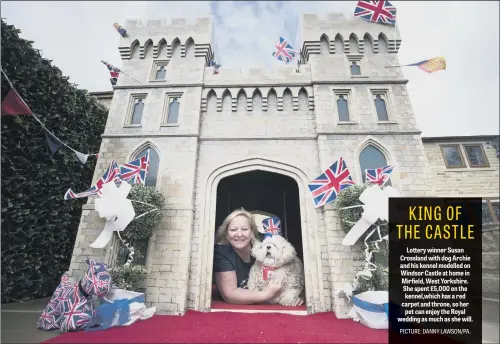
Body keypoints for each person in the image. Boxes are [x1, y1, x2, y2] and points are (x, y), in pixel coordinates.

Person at [213, 208, 303, 306]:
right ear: (227, 234)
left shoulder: (262, 247)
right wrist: (267, 294)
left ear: (252, 232)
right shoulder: (221, 253)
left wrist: (295, 295)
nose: (239, 234)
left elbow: (294, 274)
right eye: (233, 230)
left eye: (244, 229)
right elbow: (230, 294)